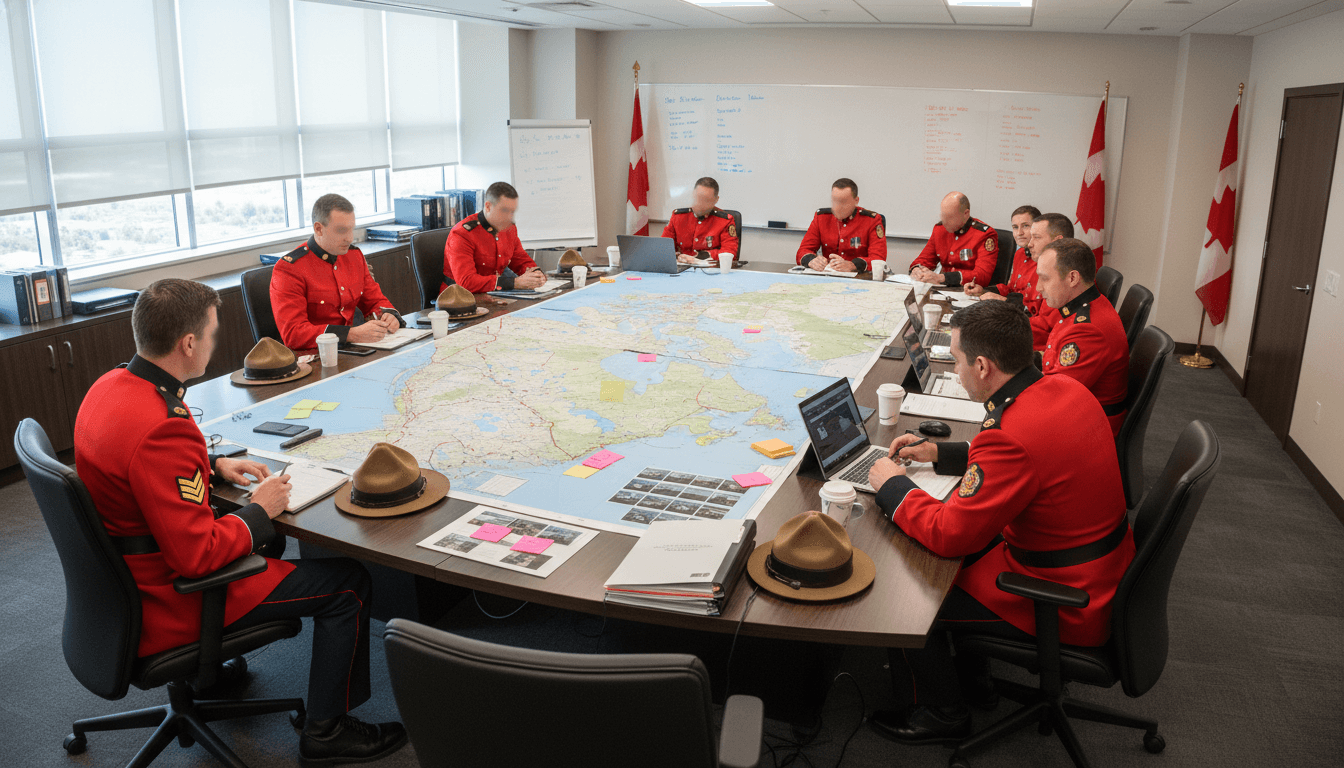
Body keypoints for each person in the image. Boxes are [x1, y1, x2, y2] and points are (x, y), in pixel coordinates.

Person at [74, 279, 407, 764]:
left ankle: (211, 671)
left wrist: (210, 465)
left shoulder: (113, 386)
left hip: (116, 584)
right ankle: (327, 732)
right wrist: (260, 511)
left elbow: (133, 464)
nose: (214, 341)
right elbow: (196, 555)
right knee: (349, 585)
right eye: (210, 332)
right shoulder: (164, 426)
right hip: (167, 599)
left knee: (266, 546)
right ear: (188, 343)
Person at [864, 300, 1133, 744]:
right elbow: (1034, 458)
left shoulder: (1009, 432)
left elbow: (950, 534)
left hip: (1064, 598)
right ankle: (977, 684)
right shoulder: (1063, 390)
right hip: (1102, 570)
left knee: (905, 592)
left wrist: (892, 487)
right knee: (957, 558)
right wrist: (940, 453)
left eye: (957, 359)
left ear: (984, 366)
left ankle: (940, 712)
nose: (955, 369)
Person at [271, 193, 405, 351]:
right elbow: (294, 334)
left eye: (351, 230)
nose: (349, 238)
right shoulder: (290, 269)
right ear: (319, 229)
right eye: (341, 231)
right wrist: (350, 334)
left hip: (350, 352)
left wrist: (388, 317)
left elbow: (375, 301)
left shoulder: (354, 256)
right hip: (314, 357)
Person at [1035, 237, 1130, 436]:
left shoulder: (1088, 328)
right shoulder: (1080, 308)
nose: (1038, 288)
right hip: (1076, 413)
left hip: (1086, 430)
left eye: (1045, 278)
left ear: (1072, 278)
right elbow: (1053, 362)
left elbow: (1054, 398)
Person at [444, 181, 546, 294]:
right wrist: (515, 283)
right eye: (504, 211)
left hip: (494, 294)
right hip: (459, 299)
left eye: (512, 211)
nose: (509, 217)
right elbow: (467, 282)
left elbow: (520, 260)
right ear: (488, 207)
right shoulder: (462, 234)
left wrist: (535, 274)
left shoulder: (509, 228)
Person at [795, 178, 886, 273]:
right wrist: (811, 260)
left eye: (843, 202)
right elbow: (803, 250)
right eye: (834, 201)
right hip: (827, 278)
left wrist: (853, 265)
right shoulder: (821, 218)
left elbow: (878, 259)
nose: (837, 207)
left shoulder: (871, 220)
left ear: (856, 201)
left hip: (859, 279)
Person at [909, 192, 998, 288]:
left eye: (950, 217)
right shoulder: (940, 230)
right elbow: (924, 259)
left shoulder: (984, 234)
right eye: (943, 215)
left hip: (968, 290)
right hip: (943, 289)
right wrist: (917, 270)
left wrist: (942, 278)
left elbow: (982, 276)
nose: (944, 221)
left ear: (966, 214)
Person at [965, 205, 1039, 306]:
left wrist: (1003, 300)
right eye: (1015, 227)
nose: (1019, 233)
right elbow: (1011, 289)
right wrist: (982, 290)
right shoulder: (1020, 253)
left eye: (1025, 226)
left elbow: (1034, 305)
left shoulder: (1045, 259)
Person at [661, 177, 739, 264]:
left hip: (709, 271)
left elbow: (730, 254)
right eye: (698, 198)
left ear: (716, 200)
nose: (700, 204)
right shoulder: (678, 217)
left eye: (706, 200)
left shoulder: (725, 221)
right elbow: (663, 247)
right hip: (681, 269)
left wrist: (701, 257)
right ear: (692, 195)